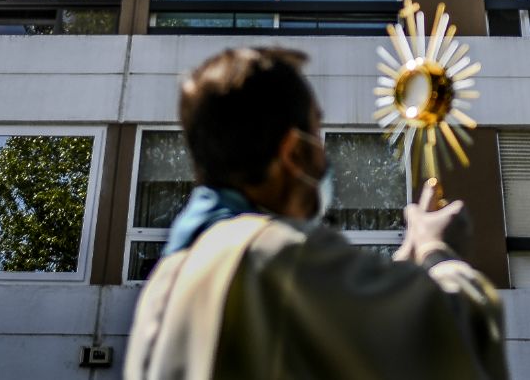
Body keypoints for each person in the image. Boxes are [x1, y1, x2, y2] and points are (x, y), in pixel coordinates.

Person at [124, 47, 507, 380]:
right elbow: (441, 342)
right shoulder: (277, 256)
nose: (324, 157)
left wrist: (405, 262)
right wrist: (439, 252)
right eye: (317, 131)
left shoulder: (174, 271)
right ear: (293, 153)